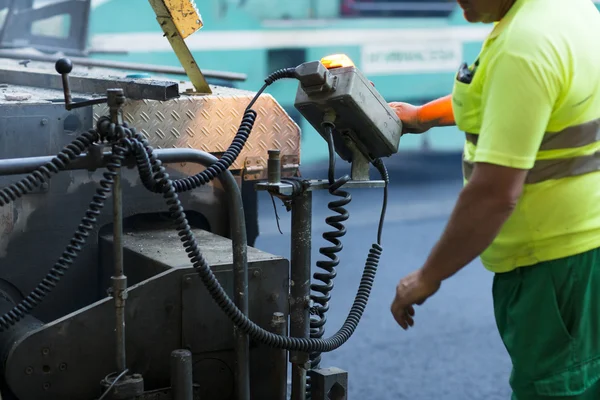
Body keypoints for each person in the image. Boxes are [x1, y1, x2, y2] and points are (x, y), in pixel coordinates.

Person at [388, 0, 600, 398]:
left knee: (556, 387)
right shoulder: (570, 11)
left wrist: (428, 276)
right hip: (585, 247)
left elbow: (492, 195)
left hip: (552, 268)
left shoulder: (525, 43)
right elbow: (512, 100)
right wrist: (422, 117)